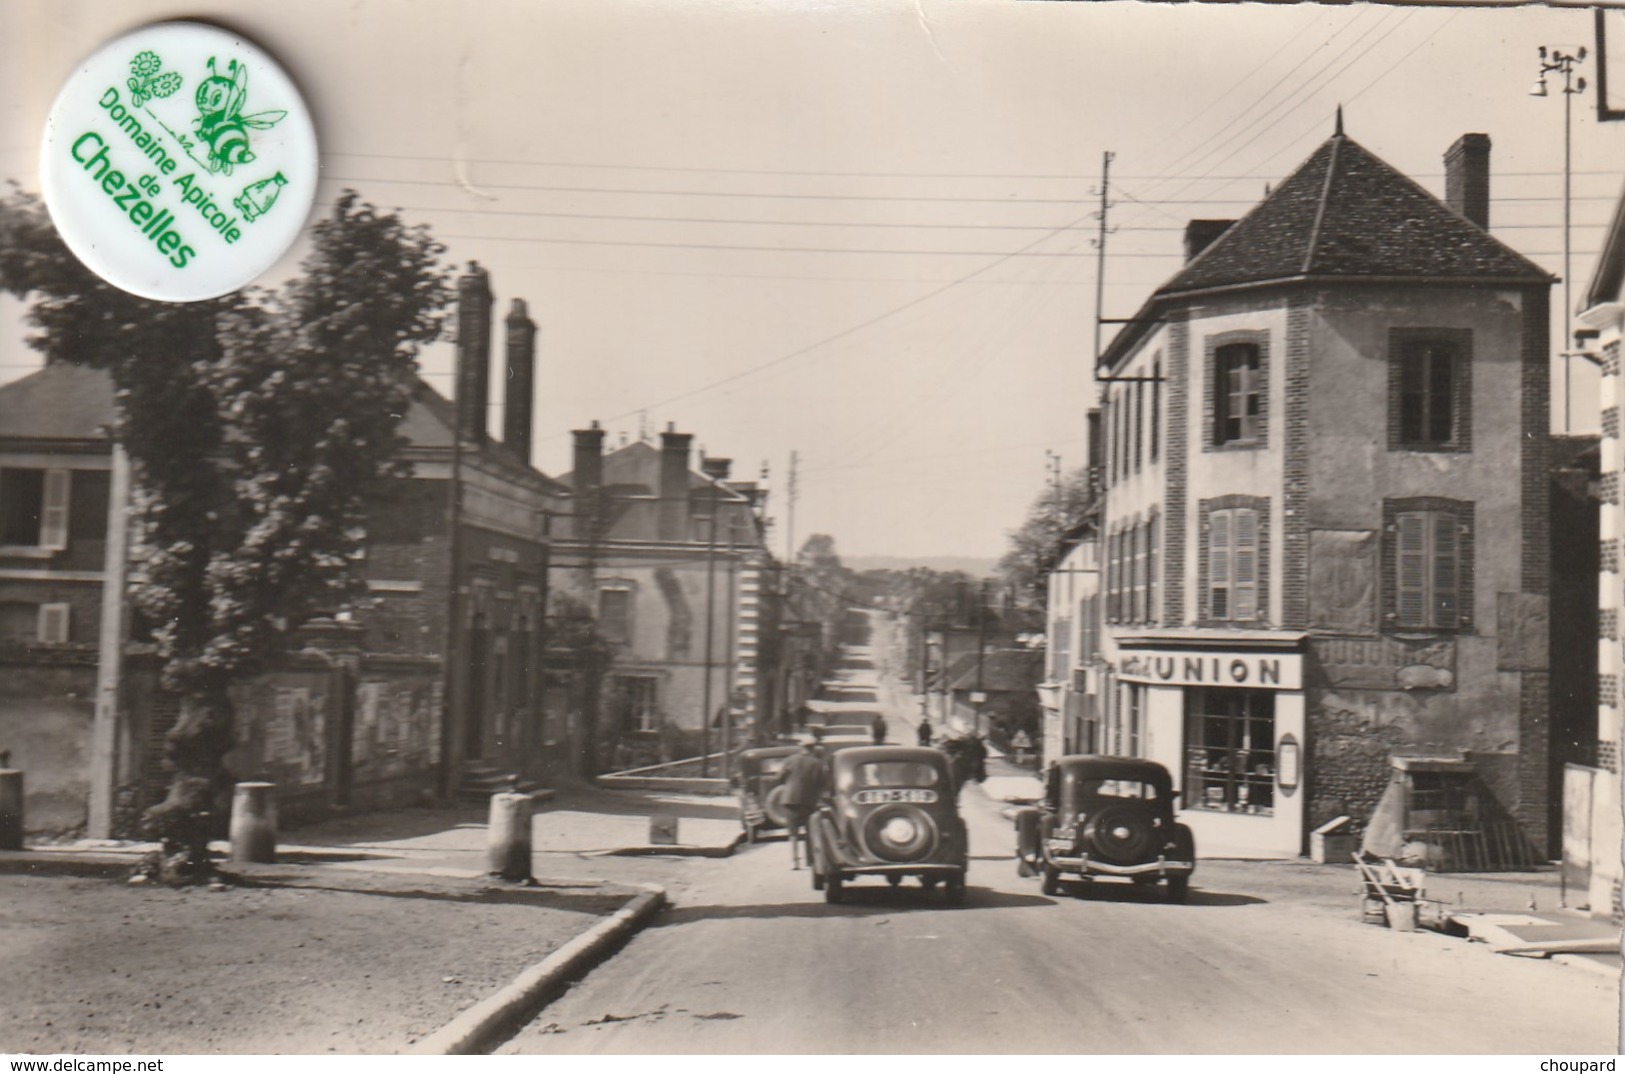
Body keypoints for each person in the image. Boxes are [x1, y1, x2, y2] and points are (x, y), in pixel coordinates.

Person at [774, 735, 828, 870]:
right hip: (809, 802)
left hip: (790, 800)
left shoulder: (791, 760)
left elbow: (779, 777)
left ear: (801, 747)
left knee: (793, 832)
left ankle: (795, 861)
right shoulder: (818, 763)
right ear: (813, 748)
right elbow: (823, 783)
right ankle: (810, 861)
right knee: (810, 832)